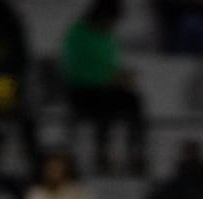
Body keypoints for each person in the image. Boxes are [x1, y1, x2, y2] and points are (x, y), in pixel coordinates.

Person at [59, 0, 147, 175]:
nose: (112, 24)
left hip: (105, 87)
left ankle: (136, 152)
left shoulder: (108, 35)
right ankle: (102, 154)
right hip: (81, 90)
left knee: (133, 101)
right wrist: (107, 79)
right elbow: (73, 69)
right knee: (104, 103)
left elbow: (110, 66)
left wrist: (121, 75)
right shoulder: (76, 33)